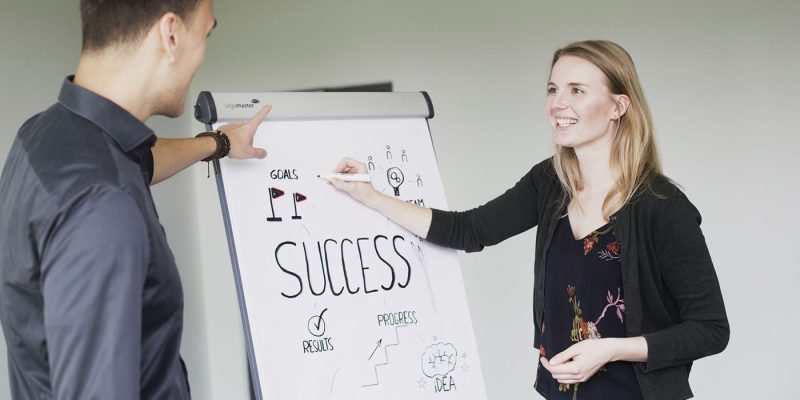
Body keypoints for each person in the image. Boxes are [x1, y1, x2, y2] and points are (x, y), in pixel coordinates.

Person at [330, 40, 729, 400]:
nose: (558, 103)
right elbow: (468, 230)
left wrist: (611, 348)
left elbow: (710, 329)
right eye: (553, 89)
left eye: (577, 91)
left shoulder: (662, 206)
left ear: (617, 106)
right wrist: (370, 195)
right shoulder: (549, 182)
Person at [0, 0, 269, 398]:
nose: (203, 53)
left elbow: (136, 160)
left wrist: (220, 143)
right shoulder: (102, 206)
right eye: (205, 33)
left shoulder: (44, 136)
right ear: (171, 34)